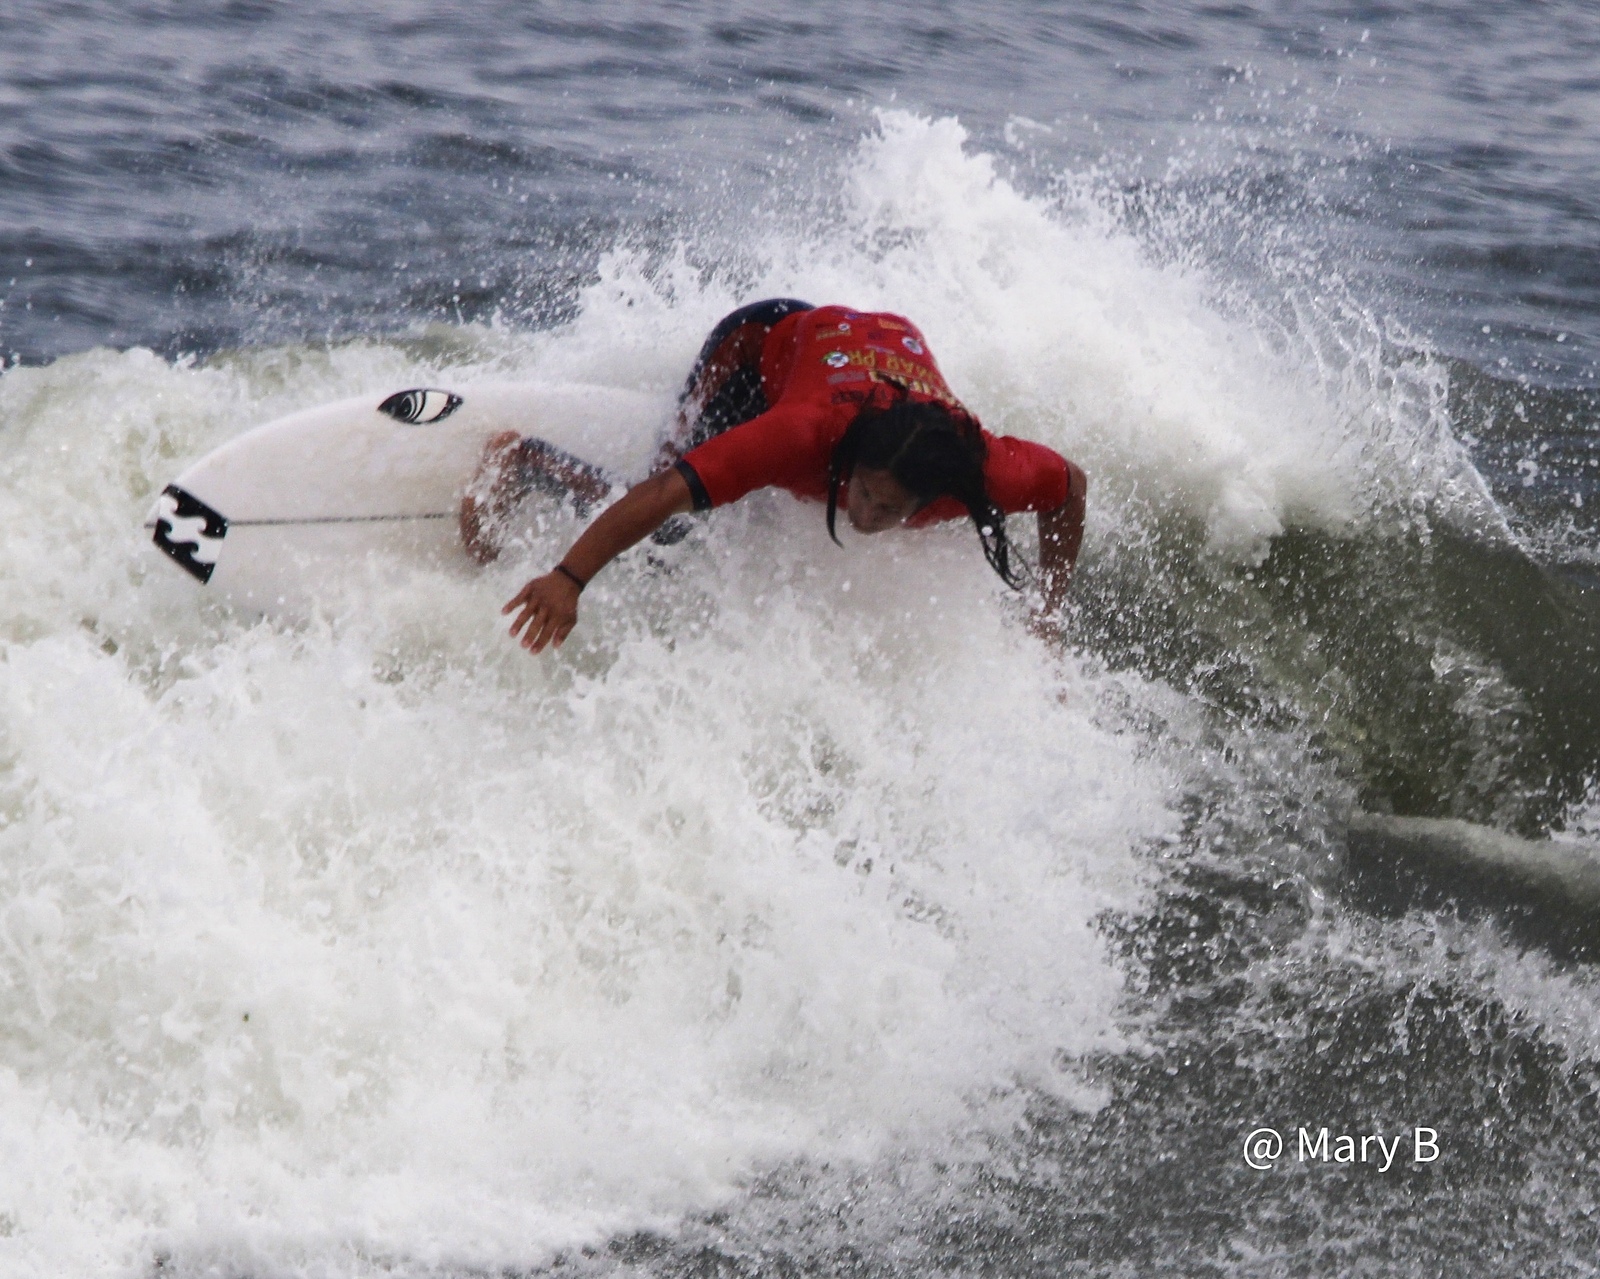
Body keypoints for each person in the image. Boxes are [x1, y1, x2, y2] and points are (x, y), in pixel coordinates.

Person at [460, 299, 1087, 654]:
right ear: (849, 464)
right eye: (864, 493)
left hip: (851, 348)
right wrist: (569, 578)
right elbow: (664, 493)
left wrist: (1048, 611)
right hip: (756, 348)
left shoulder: (984, 471)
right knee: (671, 535)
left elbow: (1070, 488)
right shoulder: (803, 436)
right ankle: (523, 458)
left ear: (929, 498)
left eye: (888, 509)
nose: (866, 515)